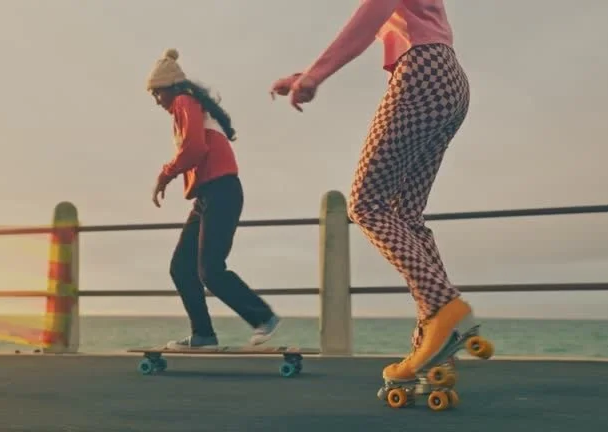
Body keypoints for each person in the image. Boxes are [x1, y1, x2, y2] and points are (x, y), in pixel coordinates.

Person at [270, 0, 492, 382]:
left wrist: (314, 77)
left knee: (366, 203)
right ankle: (435, 345)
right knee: (406, 215)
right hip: (449, 78)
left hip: (423, 71)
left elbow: (369, 14)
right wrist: (307, 73)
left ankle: (444, 308)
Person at [145, 48, 281, 349]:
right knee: (182, 267)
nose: (157, 101)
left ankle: (263, 317)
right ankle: (203, 335)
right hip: (209, 195)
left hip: (221, 191)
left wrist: (165, 175)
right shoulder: (190, 106)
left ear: (171, 88)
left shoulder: (184, 102)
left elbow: (194, 149)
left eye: (157, 94)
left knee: (210, 269)